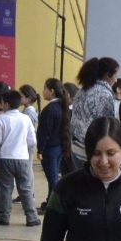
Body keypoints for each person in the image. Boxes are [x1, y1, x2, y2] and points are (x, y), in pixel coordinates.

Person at [0, 89, 40, 226]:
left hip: (5, 158)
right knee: (25, 188)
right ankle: (32, 218)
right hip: (22, 158)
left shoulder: (1, 118)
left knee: (6, 188)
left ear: (6, 104)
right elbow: (32, 141)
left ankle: (4, 216)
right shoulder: (25, 119)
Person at [69, 57, 120, 170]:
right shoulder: (104, 94)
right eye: (116, 76)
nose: (116, 80)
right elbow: (106, 125)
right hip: (91, 150)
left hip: (76, 146)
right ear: (108, 75)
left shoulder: (82, 91)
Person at [36, 79, 68, 209]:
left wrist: (40, 149)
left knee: (53, 179)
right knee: (53, 177)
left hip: (50, 149)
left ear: (52, 91)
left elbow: (44, 132)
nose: (43, 91)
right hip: (60, 146)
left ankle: (56, 205)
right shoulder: (62, 106)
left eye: (45, 88)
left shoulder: (50, 109)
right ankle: (50, 202)